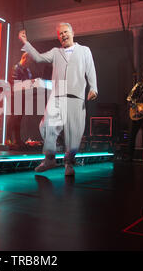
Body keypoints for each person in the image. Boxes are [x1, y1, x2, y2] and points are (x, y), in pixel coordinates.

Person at [18, 23, 98, 176]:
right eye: (60, 34)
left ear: (72, 32)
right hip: (57, 96)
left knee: (74, 134)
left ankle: (69, 163)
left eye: (65, 32)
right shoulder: (56, 52)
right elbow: (39, 58)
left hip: (76, 97)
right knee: (47, 125)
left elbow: (91, 69)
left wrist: (93, 88)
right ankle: (49, 159)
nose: (63, 35)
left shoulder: (84, 51)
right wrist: (25, 43)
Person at [6, 52, 33, 148]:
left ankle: (17, 139)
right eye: (29, 61)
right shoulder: (16, 69)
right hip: (14, 96)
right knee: (14, 117)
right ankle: (7, 138)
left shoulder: (28, 70)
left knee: (19, 119)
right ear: (24, 58)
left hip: (23, 96)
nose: (30, 63)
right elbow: (14, 85)